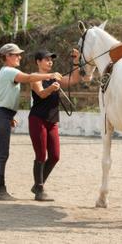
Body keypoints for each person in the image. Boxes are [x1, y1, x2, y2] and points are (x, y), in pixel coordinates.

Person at [0, 43, 62, 201]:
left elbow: (4, 97)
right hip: (0, 115)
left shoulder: (6, 71)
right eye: (16, 54)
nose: (19, 57)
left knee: (2, 154)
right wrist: (49, 76)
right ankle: (0, 190)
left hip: (2, 114)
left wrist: (9, 115)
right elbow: (29, 78)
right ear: (8, 56)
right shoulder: (9, 71)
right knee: (2, 154)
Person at [29, 48, 81, 201]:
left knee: (55, 156)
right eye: (46, 59)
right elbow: (41, 93)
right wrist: (51, 88)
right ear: (38, 62)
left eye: (51, 59)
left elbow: (74, 80)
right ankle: (39, 188)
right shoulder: (35, 77)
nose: (50, 61)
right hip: (37, 119)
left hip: (52, 121)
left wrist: (76, 61)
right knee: (40, 154)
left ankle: (38, 184)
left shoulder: (55, 76)